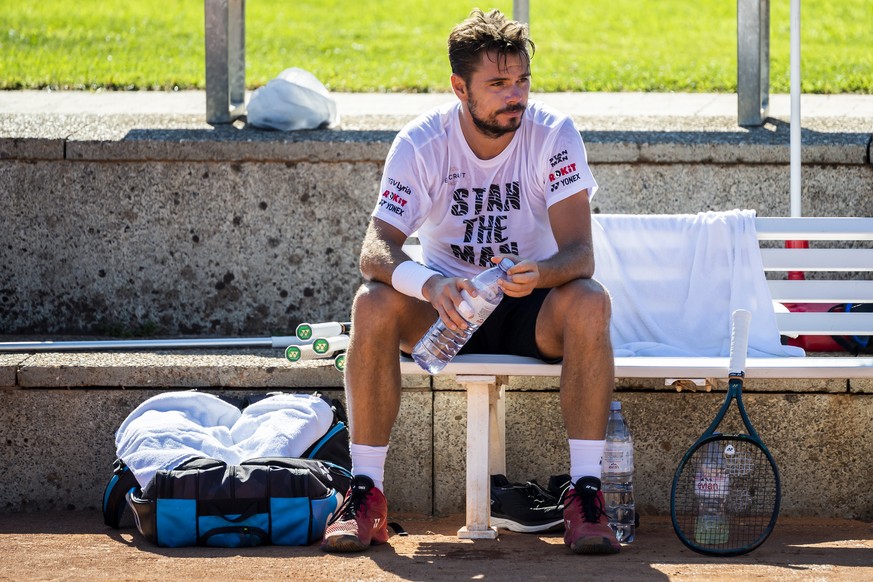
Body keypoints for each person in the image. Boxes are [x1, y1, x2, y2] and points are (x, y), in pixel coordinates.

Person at [321, 8, 619, 555]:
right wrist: (431, 285)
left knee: (589, 301)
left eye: (523, 80)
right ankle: (366, 492)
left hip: (532, 306)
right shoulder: (421, 141)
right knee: (372, 303)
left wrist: (542, 273)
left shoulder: (554, 134)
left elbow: (581, 255)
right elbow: (375, 250)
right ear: (460, 87)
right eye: (499, 83)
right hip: (449, 310)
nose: (516, 95)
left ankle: (586, 493)